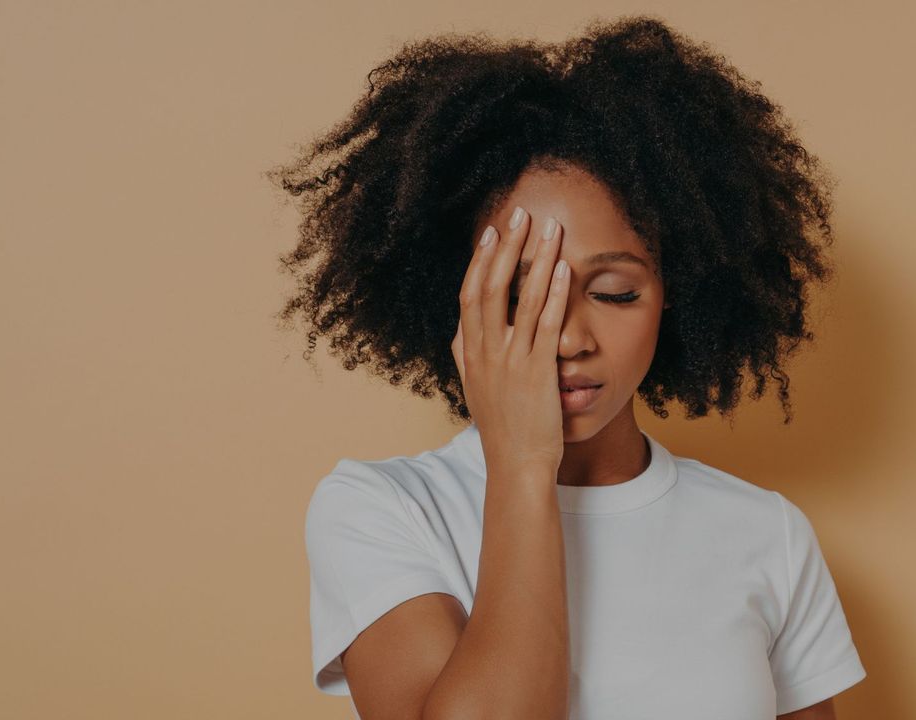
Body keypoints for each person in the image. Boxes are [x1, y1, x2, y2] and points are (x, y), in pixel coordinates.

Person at [268, 14, 866, 720]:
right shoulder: (383, 510)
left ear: (678, 296)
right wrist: (523, 462)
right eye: (521, 294)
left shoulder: (768, 534)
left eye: (614, 292)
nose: (569, 337)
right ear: (453, 294)